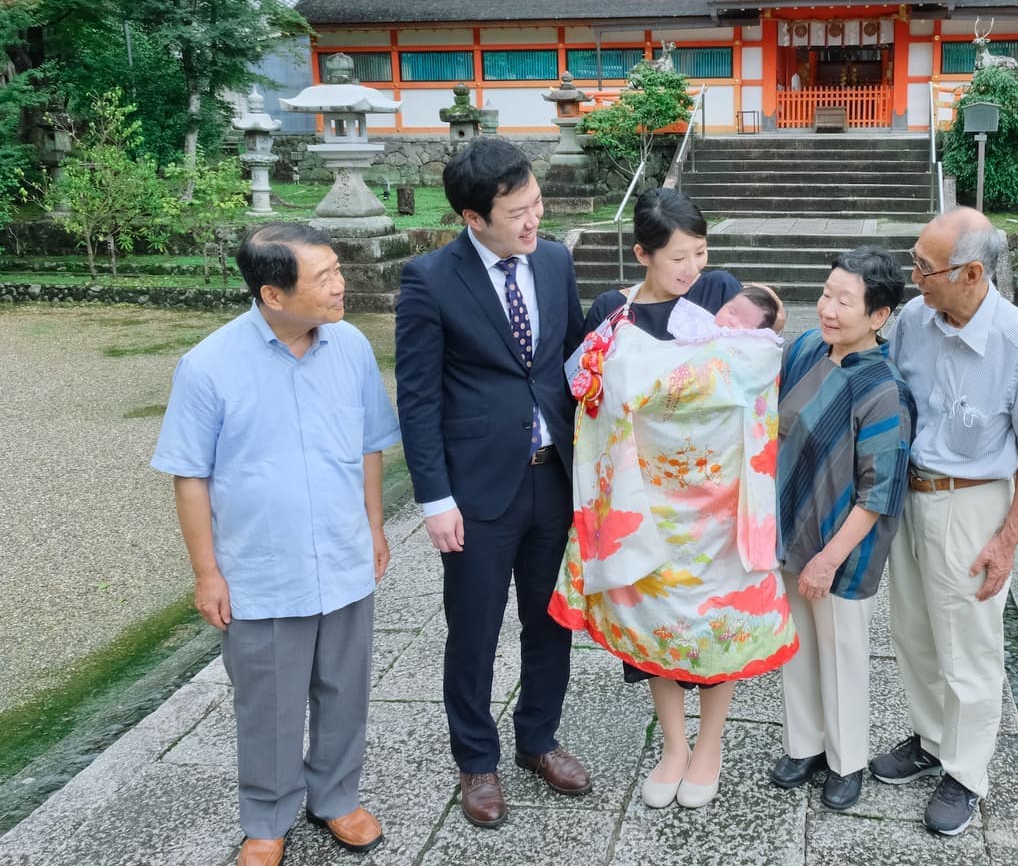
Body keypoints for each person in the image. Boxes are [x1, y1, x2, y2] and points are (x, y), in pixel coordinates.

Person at [150, 223, 400, 866]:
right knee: (269, 704)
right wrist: (207, 574)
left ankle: (336, 798)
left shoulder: (349, 349)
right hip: (261, 569)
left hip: (342, 556)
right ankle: (267, 818)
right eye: (325, 278)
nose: (341, 285)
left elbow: (372, 445)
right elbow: (191, 477)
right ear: (273, 294)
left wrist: (374, 526)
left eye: (337, 270)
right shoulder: (208, 366)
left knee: (345, 690)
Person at [550, 188, 797, 811]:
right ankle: (673, 746)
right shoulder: (614, 311)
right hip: (645, 502)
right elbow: (590, 395)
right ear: (642, 253)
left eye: (700, 253)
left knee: (716, 621)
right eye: (677, 258)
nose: (690, 270)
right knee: (656, 619)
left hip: (717, 503)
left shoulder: (720, 294)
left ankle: (709, 745)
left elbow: (754, 365)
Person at [394, 136, 589, 830]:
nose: (533, 221)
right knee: (473, 631)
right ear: (474, 218)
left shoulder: (556, 259)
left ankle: (539, 737)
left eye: (536, 203)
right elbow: (417, 399)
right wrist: (435, 498)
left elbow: (573, 360)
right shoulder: (430, 279)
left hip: (553, 478)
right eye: (517, 212)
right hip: (476, 494)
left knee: (551, 621)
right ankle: (476, 758)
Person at [868, 208, 1018, 836]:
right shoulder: (913, 321)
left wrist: (1007, 542)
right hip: (911, 493)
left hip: (974, 500)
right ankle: (928, 739)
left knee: (970, 647)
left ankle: (967, 772)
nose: (913, 275)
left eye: (924, 266)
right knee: (914, 632)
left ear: (972, 273)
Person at [770, 247, 914, 811]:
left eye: (844, 301)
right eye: (827, 294)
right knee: (797, 647)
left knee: (842, 651)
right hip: (792, 529)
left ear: (879, 317)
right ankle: (804, 744)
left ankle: (847, 759)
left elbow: (880, 492)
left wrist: (829, 558)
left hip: (843, 547)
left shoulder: (884, 389)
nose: (827, 308)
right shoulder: (807, 349)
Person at [714, 285, 782, 331]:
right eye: (732, 312)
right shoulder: (705, 321)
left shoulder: (748, 347)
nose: (733, 322)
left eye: (744, 323)